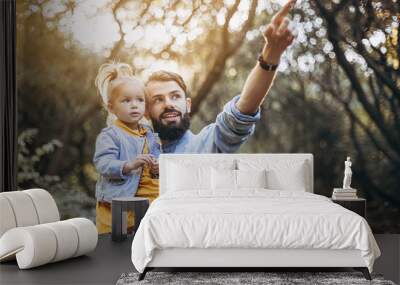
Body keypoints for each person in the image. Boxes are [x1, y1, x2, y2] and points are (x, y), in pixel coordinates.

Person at [145, 0, 297, 153]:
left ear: (188, 105)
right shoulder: (129, 158)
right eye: (158, 99)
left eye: (175, 96)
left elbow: (241, 112)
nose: (168, 104)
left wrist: (271, 55)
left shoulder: (207, 146)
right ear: (146, 111)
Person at [93, 62, 161, 234]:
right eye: (126, 100)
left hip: (148, 201)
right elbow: (103, 163)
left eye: (140, 100)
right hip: (120, 204)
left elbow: (156, 165)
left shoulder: (149, 134)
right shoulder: (111, 135)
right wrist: (128, 165)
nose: (134, 105)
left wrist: (156, 168)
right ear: (111, 107)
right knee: (118, 244)